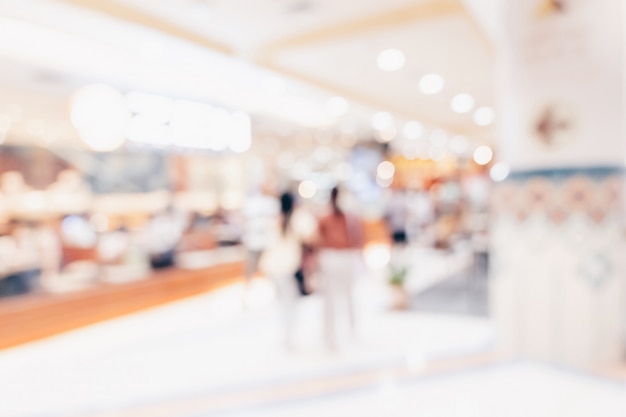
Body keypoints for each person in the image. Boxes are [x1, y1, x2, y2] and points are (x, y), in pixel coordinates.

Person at [317, 186, 364, 351]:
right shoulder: (332, 218)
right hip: (339, 257)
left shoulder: (342, 218)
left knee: (337, 299)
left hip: (337, 257)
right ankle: (344, 332)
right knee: (342, 297)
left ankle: (342, 332)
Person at [259, 191, 303, 350]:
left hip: (275, 268)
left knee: (284, 303)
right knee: (289, 304)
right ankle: (288, 336)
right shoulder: (295, 220)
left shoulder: (275, 220)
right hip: (287, 269)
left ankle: (287, 335)